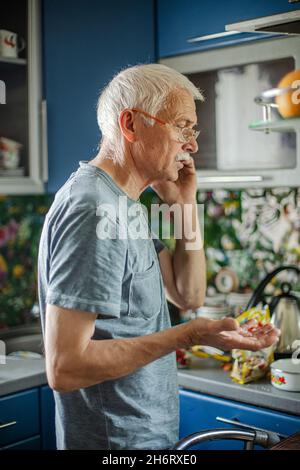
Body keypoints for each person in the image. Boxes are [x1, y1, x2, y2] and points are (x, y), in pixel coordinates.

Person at [38, 64, 279, 450]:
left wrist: (185, 203)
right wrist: (189, 334)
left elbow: (189, 294)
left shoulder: (124, 204)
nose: (193, 144)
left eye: (192, 130)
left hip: (143, 437)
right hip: (115, 444)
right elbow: (66, 367)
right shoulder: (95, 209)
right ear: (131, 124)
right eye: (182, 126)